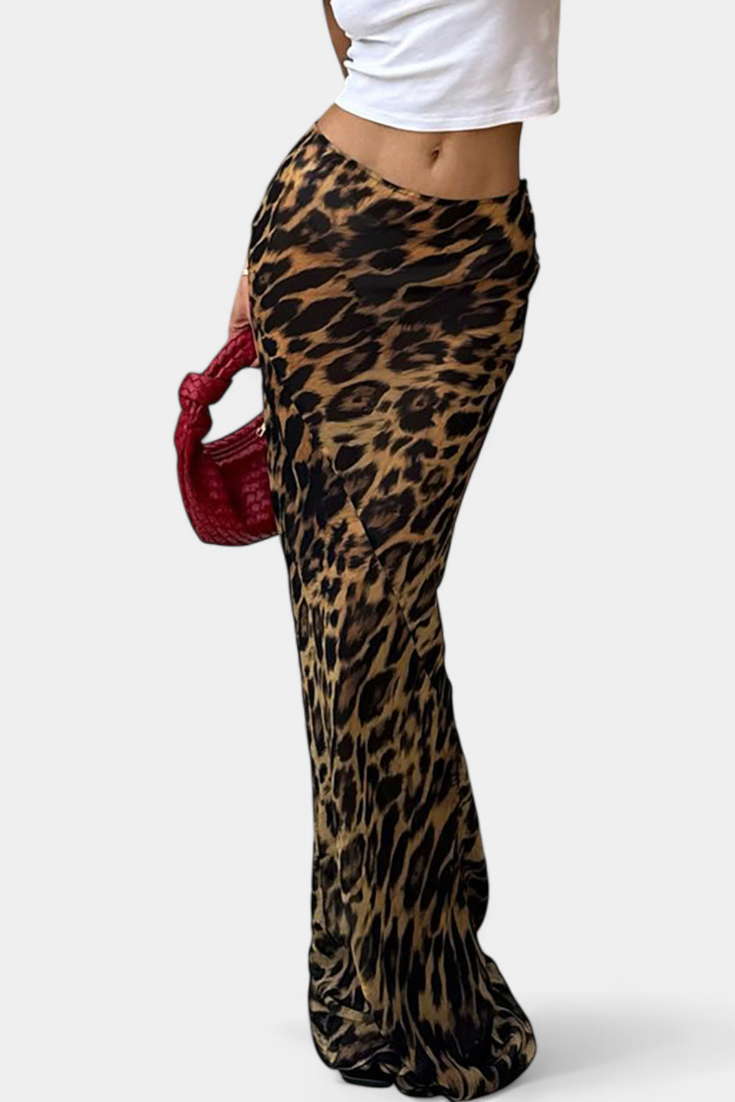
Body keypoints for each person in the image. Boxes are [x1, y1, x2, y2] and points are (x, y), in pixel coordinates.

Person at [229, 3, 560, 1098]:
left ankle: (413, 961)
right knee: (348, 629)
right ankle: (376, 968)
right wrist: (263, 265)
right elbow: (363, 57)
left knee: (381, 616)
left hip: (471, 268)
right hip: (326, 237)